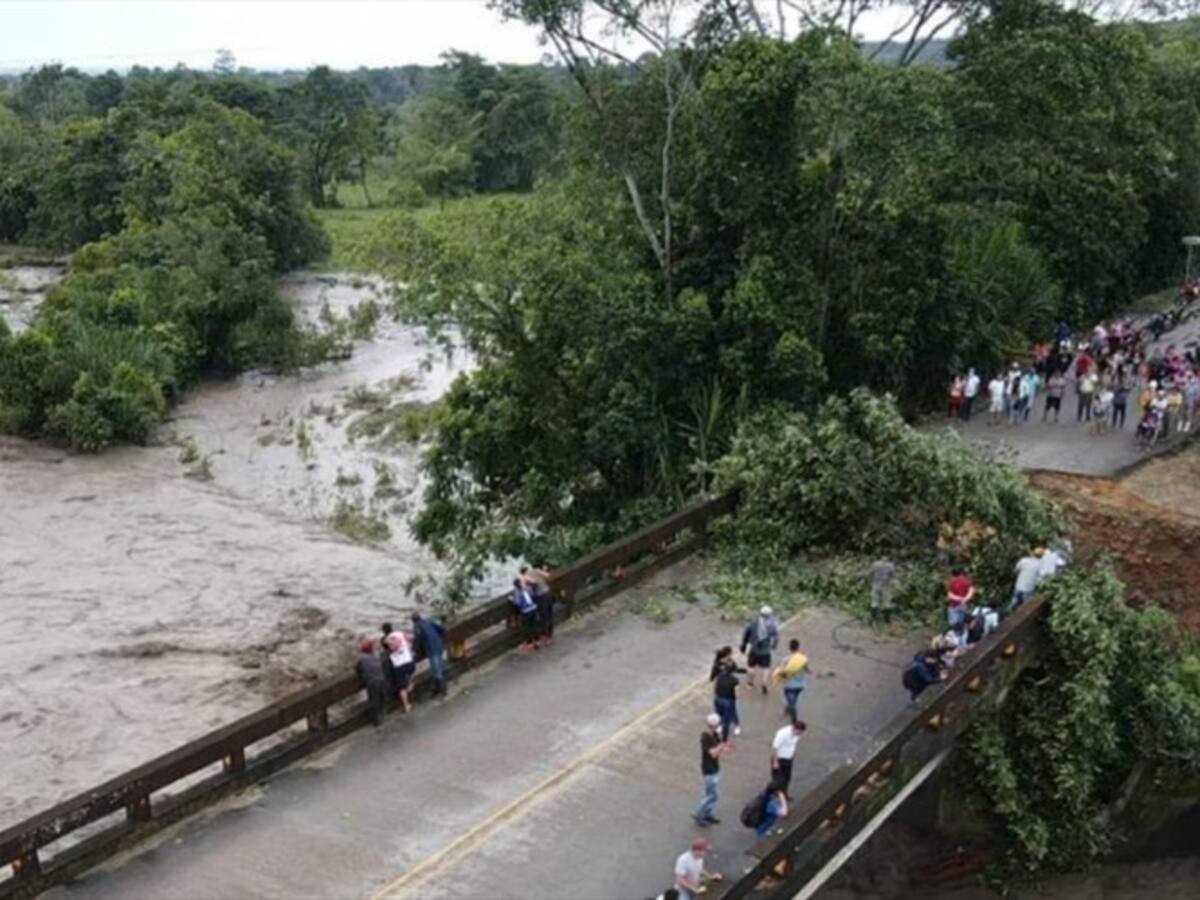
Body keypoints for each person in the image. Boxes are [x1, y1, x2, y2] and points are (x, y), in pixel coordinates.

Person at [694, 713, 730, 827]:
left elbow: (719, 748)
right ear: (713, 725)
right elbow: (713, 754)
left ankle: (707, 814)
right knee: (711, 795)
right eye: (718, 724)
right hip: (709, 769)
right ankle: (699, 814)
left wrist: (723, 747)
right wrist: (721, 747)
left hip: (715, 767)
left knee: (713, 794)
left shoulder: (715, 734)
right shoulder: (705, 737)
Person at [740, 606, 780, 694]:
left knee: (751, 667)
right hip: (766, 650)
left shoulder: (753, 622)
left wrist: (744, 644)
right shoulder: (773, 624)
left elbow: (746, 634)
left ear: (760, 613)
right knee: (766, 668)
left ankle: (750, 683)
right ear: (770, 615)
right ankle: (764, 683)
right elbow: (776, 637)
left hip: (754, 649)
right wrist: (774, 646)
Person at [411, 611, 448, 697]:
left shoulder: (417, 627)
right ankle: (439, 689)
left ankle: (442, 689)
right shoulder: (429, 621)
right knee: (441, 667)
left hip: (431, 649)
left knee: (436, 670)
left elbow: (418, 640)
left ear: (413, 621)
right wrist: (442, 640)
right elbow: (442, 628)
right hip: (440, 646)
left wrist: (416, 653)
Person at [772, 640, 809, 724]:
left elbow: (782, 673)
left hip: (789, 686)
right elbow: (807, 670)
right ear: (798, 647)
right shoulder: (803, 659)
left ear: (789, 648)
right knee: (793, 701)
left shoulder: (786, 659)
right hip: (800, 685)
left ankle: (794, 722)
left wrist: (777, 679)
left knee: (792, 704)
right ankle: (786, 712)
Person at [769, 719, 806, 797]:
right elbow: (775, 748)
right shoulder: (782, 734)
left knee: (787, 778)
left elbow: (793, 745)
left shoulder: (797, 735)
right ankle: (775, 795)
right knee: (778, 780)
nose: (799, 735)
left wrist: (792, 755)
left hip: (788, 758)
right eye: (798, 732)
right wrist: (775, 762)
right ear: (794, 729)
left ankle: (784, 794)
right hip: (779, 758)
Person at [711, 650, 743, 740]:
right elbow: (737, 693)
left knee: (719, 713)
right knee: (731, 714)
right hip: (729, 700)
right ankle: (736, 726)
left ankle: (720, 726)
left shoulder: (719, 676)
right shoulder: (735, 680)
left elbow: (715, 685)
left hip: (718, 698)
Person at [356, 638, 388, 726]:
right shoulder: (377, 655)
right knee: (381, 697)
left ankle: (377, 719)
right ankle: (383, 713)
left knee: (374, 700)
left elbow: (358, 669)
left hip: (372, 682)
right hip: (381, 678)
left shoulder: (362, 659)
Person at [521, 563, 555, 644]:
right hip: (548, 592)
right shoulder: (536, 570)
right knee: (549, 613)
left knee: (543, 616)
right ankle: (550, 634)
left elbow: (524, 588)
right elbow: (548, 575)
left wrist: (525, 581)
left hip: (541, 596)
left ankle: (545, 637)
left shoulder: (525, 576)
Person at [384, 626, 415, 713]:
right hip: (409, 661)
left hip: (398, 665)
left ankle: (406, 705)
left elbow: (386, 648)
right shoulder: (400, 633)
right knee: (410, 678)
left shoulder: (386, 640)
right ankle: (410, 688)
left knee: (401, 688)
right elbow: (410, 638)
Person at [511, 578, 540, 650]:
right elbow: (533, 594)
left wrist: (512, 599)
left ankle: (529, 643)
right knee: (534, 625)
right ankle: (536, 641)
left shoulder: (517, 592)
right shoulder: (528, 588)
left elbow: (518, 603)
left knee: (527, 627)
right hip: (533, 608)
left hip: (526, 611)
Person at [868, 557, 897, 624]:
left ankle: (873, 618)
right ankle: (887, 620)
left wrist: (870, 583)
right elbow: (892, 576)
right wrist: (893, 587)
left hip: (876, 585)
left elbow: (870, 574)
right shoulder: (890, 565)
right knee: (887, 602)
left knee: (874, 602)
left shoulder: (875, 564)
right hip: (885, 586)